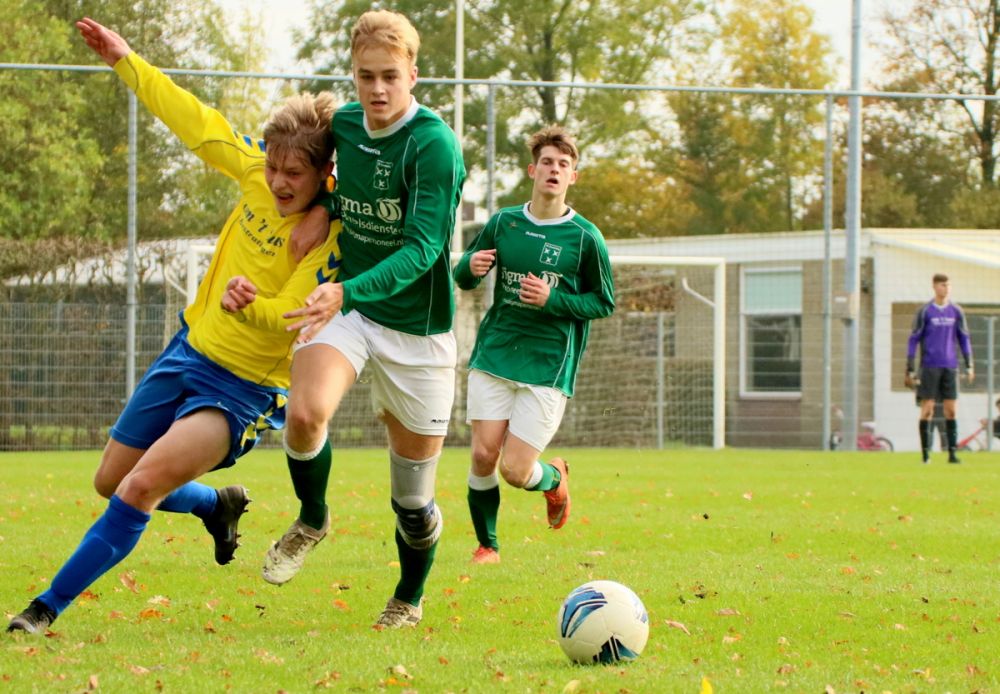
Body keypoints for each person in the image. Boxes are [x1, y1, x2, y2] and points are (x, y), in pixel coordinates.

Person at [6, 17, 342, 634]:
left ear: (325, 173)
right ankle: (216, 505)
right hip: (187, 353)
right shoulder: (253, 177)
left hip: (241, 391)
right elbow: (194, 120)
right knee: (110, 480)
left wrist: (257, 297)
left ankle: (43, 610)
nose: (278, 182)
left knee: (137, 489)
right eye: (273, 167)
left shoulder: (331, 235)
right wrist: (127, 61)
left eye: (295, 174)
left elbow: (295, 310)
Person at [261, 10, 465, 629]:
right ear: (352, 76)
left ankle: (408, 598)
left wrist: (346, 289)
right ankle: (313, 518)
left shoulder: (435, 146)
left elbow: (424, 248)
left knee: (413, 502)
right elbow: (304, 170)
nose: (376, 90)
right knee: (303, 414)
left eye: (389, 77)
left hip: (417, 331)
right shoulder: (344, 124)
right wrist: (323, 206)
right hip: (349, 308)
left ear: (413, 76)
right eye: (364, 76)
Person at [453, 126, 615, 565]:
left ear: (573, 177)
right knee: (484, 454)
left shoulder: (585, 238)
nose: (554, 170)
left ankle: (553, 478)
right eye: (547, 162)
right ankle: (488, 545)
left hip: (548, 364)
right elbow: (463, 278)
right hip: (496, 351)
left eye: (564, 165)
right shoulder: (504, 222)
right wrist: (471, 264)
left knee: (515, 471)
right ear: (533, 169)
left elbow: (604, 301)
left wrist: (553, 299)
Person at [906, 273, 974, 464]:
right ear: (935, 287)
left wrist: (969, 364)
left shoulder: (956, 311)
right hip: (929, 367)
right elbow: (914, 339)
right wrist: (910, 366)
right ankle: (926, 454)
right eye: (943, 285)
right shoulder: (925, 311)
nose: (947, 288)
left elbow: (964, 338)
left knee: (951, 410)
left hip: (950, 367)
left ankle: (952, 454)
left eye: (949, 285)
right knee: (927, 409)